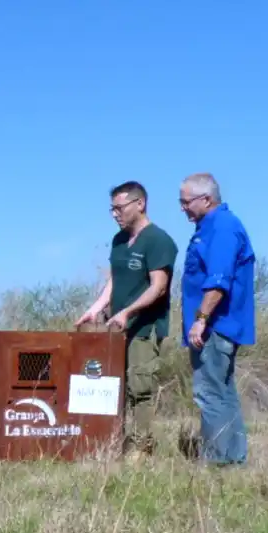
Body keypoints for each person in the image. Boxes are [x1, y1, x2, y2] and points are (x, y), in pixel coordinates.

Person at [75, 180, 178, 457]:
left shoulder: (159, 240)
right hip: (116, 327)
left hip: (144, 328)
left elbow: (159, 287)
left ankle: (141, 450)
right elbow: (115, 280)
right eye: (112, 209)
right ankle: (111, 443)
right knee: (112, 385)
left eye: (119, 208)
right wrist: (96, 308)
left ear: (140, 204)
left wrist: (128, 312)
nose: (115, 214)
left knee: (139, 388)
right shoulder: (119, 241)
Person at [178, 172, 256, 467]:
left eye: (185, 202)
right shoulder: (209, 226)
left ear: (206, 199)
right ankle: (233, 459)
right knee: (222, 392)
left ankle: (217, 462)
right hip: (215, 325)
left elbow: (218, 279)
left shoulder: (222, 228)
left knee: (210, 393)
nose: (182, 208)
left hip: (215, 326)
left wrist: (200, 319)